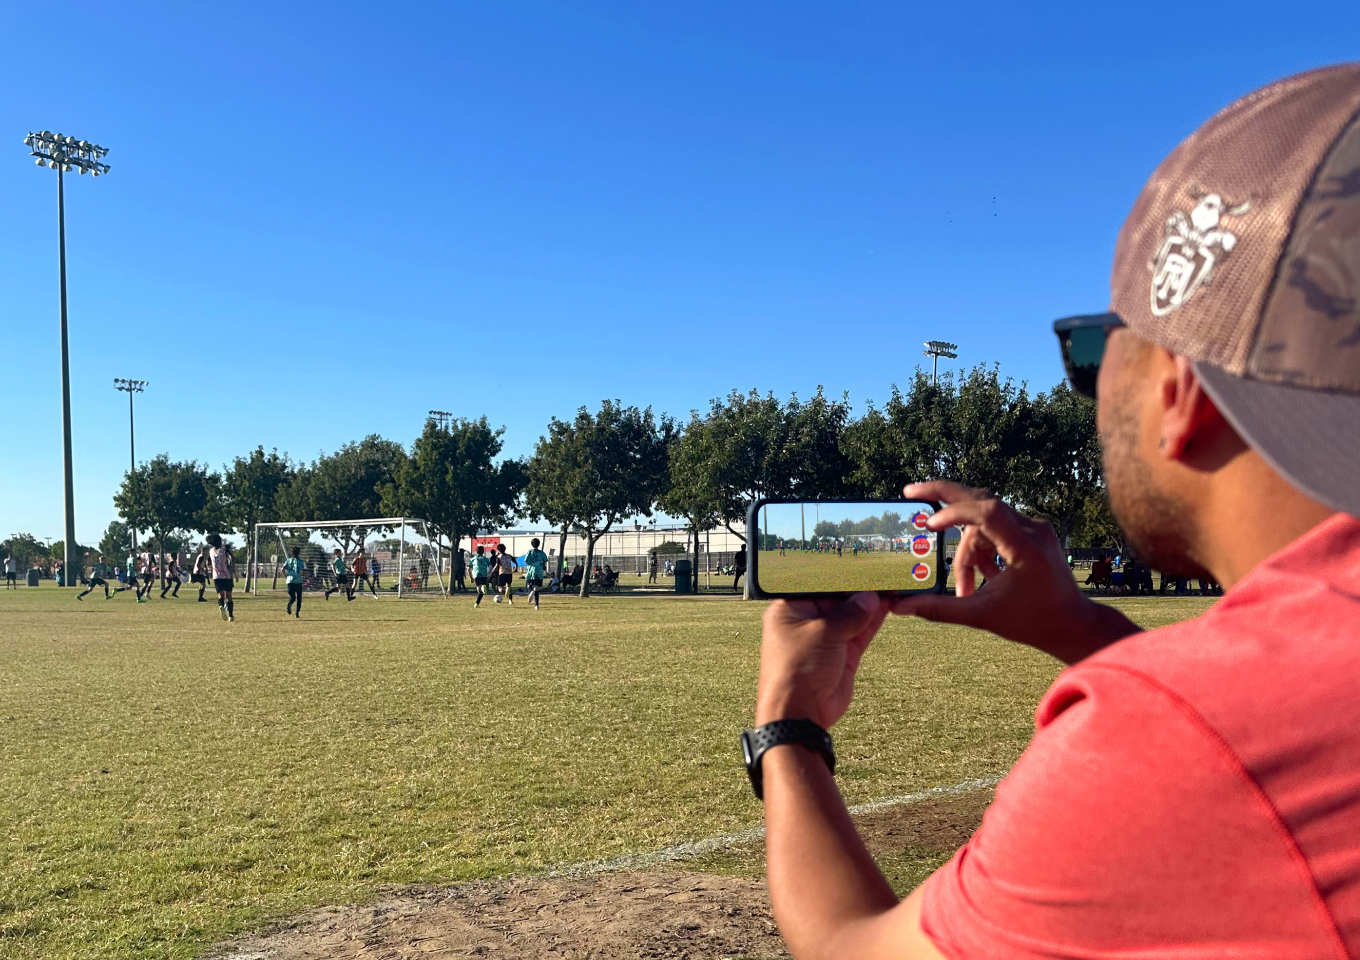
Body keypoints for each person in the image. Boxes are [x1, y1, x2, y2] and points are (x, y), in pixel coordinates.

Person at [748, 65, 1360, 960]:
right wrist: (1078, 625)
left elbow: (853, 947)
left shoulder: (1183, 737)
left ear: (1181, 389)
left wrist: (787, 726)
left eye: (1095, 351)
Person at [205, 534, 234, 621]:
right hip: (226, 576)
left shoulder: (211, 551)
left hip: (216, 576)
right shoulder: (225, 550)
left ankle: (221, 605)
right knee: (229, 596)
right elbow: (231, 558)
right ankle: (230, 616)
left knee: (220, 595)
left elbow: (207, 563)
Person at [523, 538, 548, 610]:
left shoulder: (530, 552)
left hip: (531, 571)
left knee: (529, 585)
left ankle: (531, 592)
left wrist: (531, 564)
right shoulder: (542, 553)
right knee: (536, 587)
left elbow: (526, 561)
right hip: (539, 571)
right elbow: (545, 560)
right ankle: (536, 605)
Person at [284, 545, 305, 618]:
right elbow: (302, 571)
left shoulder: (288, 560)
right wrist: (307, 577)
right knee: (299, 598)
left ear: (292, 553)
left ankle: (289, 604)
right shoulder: (300, 561)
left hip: (290, 581)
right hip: (298, 581)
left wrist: (286, 577)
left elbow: (282, 569)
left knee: (292, 597)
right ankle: (297, 613)